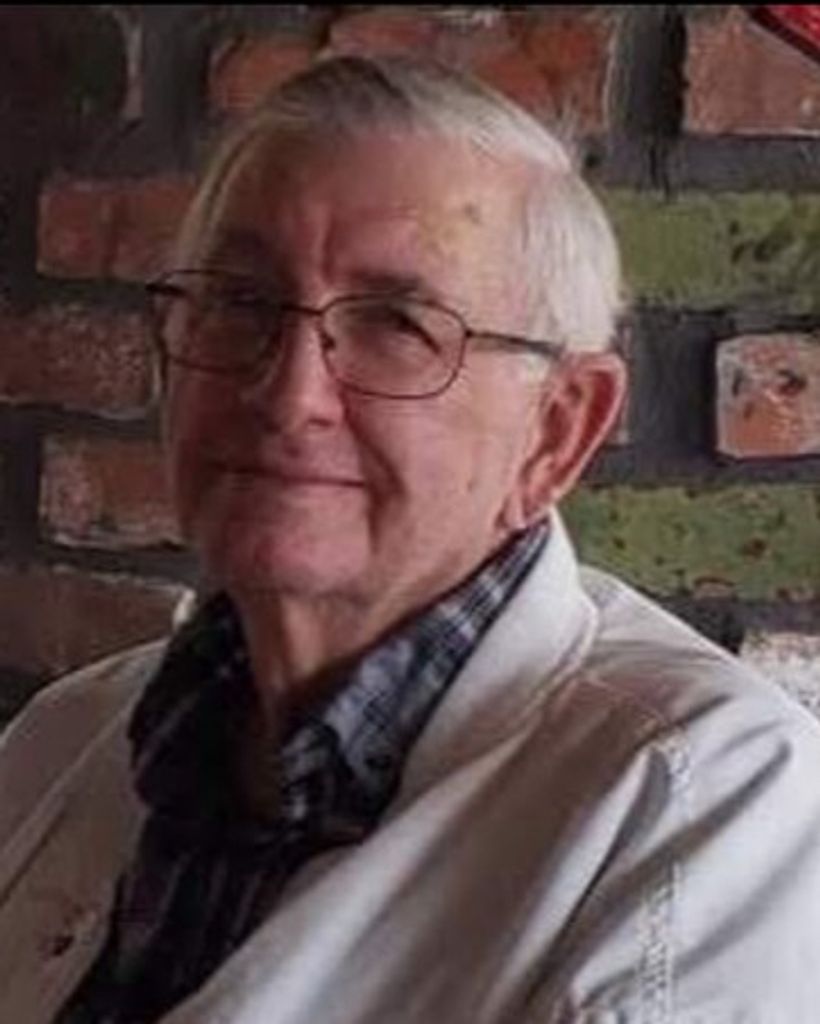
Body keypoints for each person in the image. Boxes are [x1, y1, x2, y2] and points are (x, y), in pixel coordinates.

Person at [1, 55, 820, 1024]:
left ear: (557, 429)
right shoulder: (62, 737)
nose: (287, 396)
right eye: (240, 302)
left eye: (397, 324)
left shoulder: (708, 806)